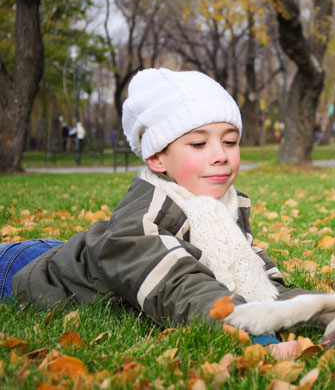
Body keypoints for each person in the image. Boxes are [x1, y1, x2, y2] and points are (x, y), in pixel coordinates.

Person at [0, 68, 315, 345]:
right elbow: (180, 288)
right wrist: (257, 335)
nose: (221, 154)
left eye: (230, 141)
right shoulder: (140, 220)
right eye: (198, 143)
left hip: (74, 251)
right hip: (25, 267)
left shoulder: (223, 208)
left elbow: (267, 288)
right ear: (156, 157)